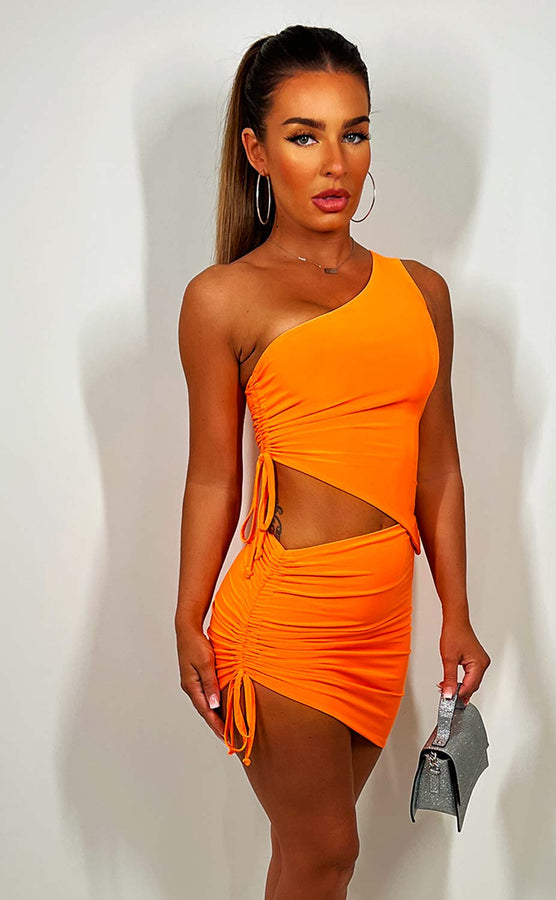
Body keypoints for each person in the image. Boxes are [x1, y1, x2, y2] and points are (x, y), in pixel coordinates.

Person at [175, 23, 491, 900]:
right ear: (257, 151)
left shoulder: (421, 292)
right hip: (286, 623)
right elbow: (213, 477)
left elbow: (439, 470)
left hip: (381, 623)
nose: (335, 162)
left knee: (306, 861)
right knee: (328, 858)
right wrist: (188, 615)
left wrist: (458, 612)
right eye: (304, 136)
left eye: (353, 133)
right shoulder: (223, 299)